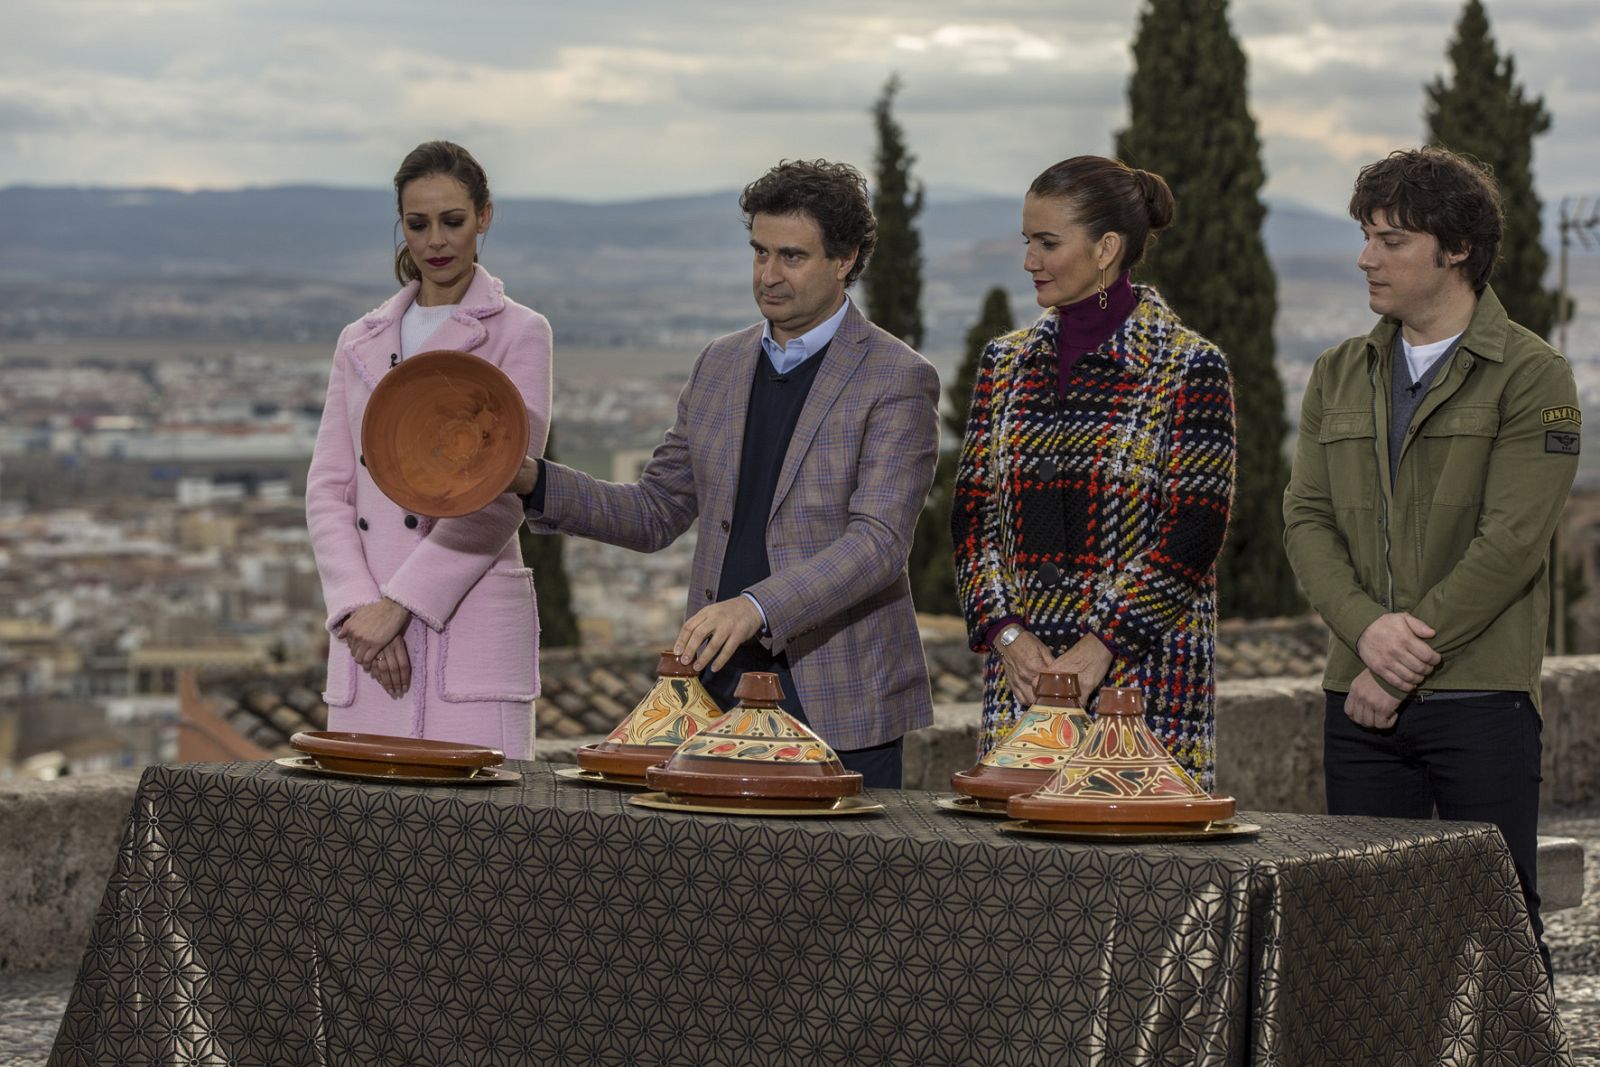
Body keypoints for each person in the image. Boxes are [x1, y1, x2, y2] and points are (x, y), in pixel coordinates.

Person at [511, 159, 940, 788]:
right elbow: (654, 510)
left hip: (840, 703)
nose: (768, 275)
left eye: (792, 256)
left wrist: (756, 607)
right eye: (760, 252)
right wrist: (532, 479)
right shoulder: (719, 365)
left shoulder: (897, 377)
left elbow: (878, 543)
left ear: (844, 259)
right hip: (716, 697)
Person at [1283, 146, 1579, 979]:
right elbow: (1305, 518)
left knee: (1498, 930)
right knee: (1369, 943)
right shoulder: (1337, 373)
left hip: (1479, 697)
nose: (1365, 258)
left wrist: (1399, 659)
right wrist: (1366, 633)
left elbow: (1511, 542)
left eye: (1391, 240)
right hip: (1357, 702)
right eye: (1366, 237)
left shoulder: (1533, 376)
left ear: (1456, 249)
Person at [951, 156, 1236, 789]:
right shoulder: (1003, 364)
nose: (1030, 260)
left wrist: (1103, 644)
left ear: (1106, 248)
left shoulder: (1188, 366)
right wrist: (1006, 635)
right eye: (1027, 241)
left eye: (1048, 243)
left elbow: (1194, 530)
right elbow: (972, 520)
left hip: (1143, 684)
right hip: (1024, 686)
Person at [306, 140, 552, 759]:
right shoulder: (358, 340)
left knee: (483, 817)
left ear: (484, 217)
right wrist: (359, 609)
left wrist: (401, 605)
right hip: (367, 642)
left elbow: (504, 492)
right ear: (402, 226)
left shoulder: (521, 333)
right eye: (418, 224)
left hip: (466, 625)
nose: (436, 241)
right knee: (366, 817)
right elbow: (329, 489)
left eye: (453, 221)